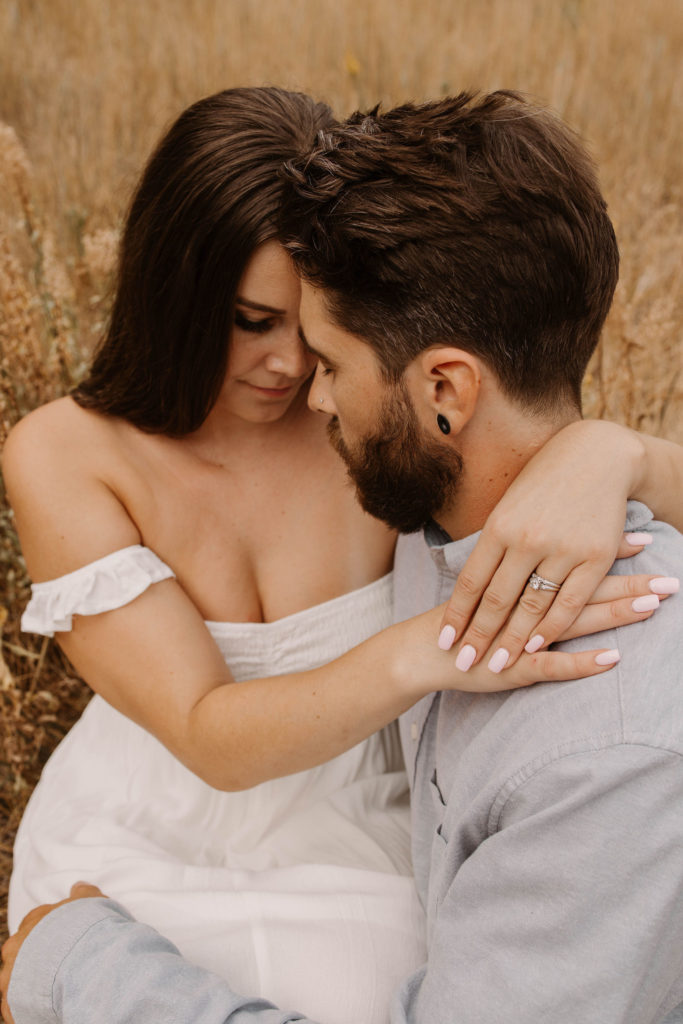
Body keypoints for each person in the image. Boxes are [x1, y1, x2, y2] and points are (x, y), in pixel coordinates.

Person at [3, 88, 683, 1024]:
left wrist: (616, 452)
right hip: (156, 817)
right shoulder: (68, 454)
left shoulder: (386, 432)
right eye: (252, 322)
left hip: (362, 831)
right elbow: (206, 732)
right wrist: (426, 648)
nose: (295, 376)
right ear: (177, 290)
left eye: (316, 342)